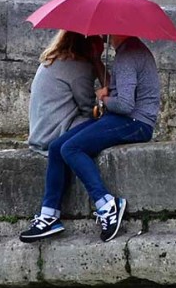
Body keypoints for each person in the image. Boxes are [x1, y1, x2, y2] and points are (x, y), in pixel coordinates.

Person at [20, 34, 160, 243]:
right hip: (122, 119)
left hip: (136, 124)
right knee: (58, 147)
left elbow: (125, 105)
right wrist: (103, 80)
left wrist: (103, 97)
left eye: (106, 31)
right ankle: (49, 215)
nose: (103, 37)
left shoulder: (128, 56)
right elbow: (120, 97)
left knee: (72, 148)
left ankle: (106, 204)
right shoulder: (127, 53)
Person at [27, 31, 106, 156]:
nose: (103, 42)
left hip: (40, 133)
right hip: (55, 133)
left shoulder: (53, 59)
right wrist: (97, 61)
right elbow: (88, 108)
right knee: (106, 127)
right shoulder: (79, 67)